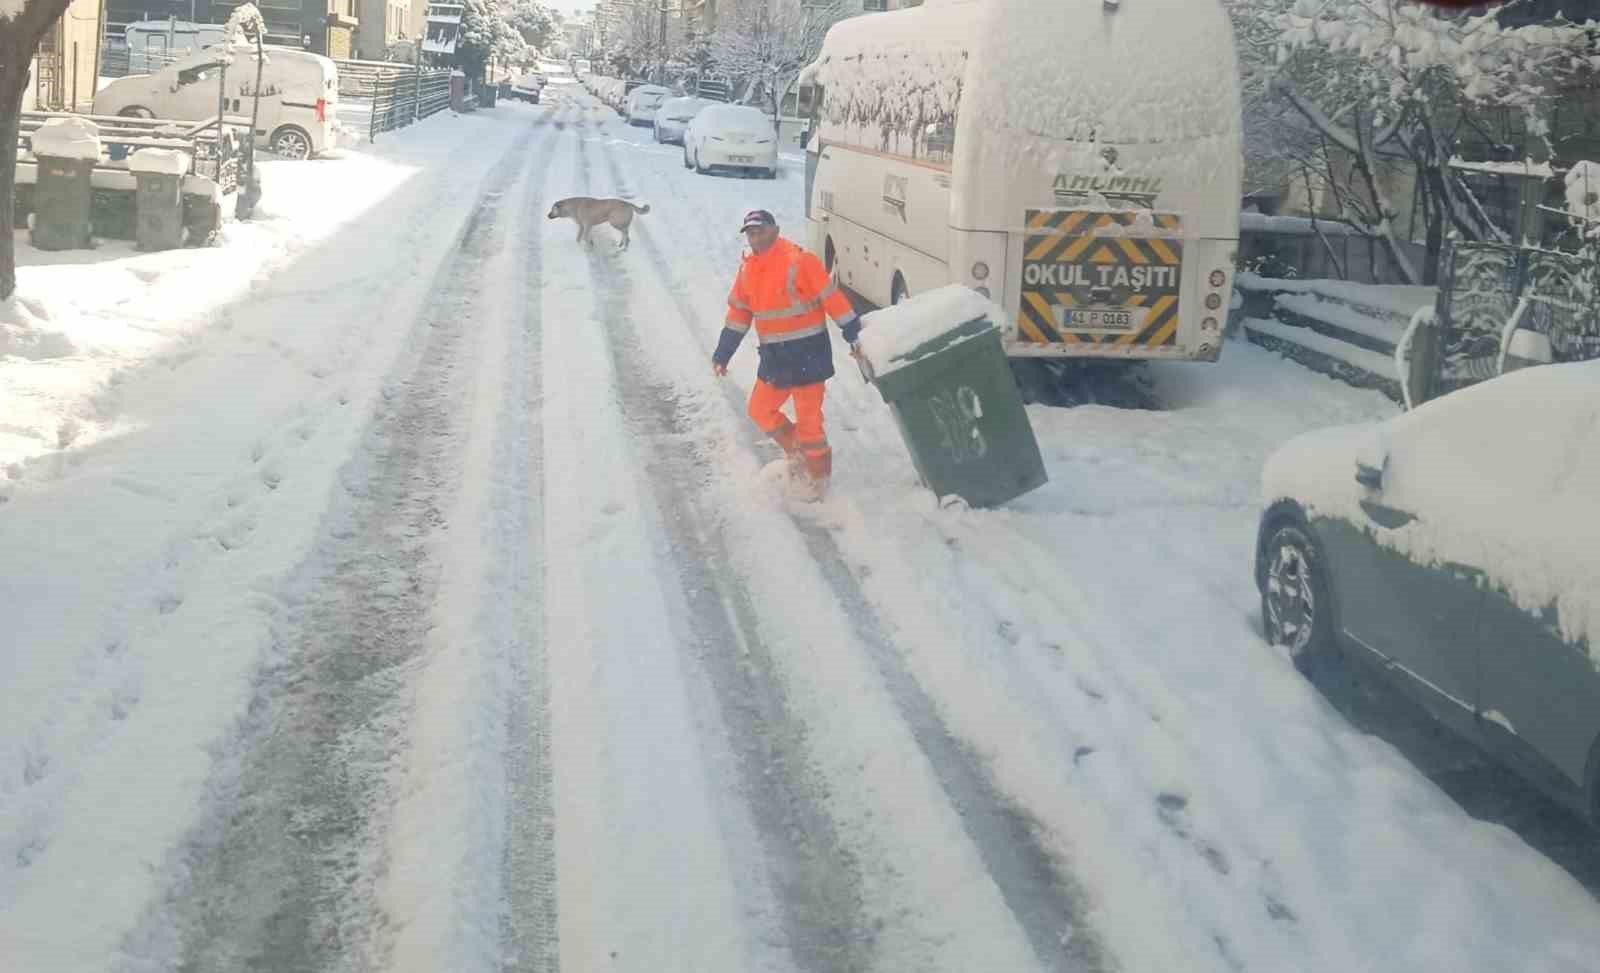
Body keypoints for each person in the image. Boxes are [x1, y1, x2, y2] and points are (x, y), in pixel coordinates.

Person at [713, 210, 862, 497]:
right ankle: (798, 455)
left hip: (810, 357)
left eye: (760, 230)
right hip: (776, 359)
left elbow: (832, 299)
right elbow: (739, 314)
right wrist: (723, 353)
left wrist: (853, 332)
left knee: (810, 423)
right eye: (750, 232)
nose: (755, 236)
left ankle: (817, 485)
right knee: (759, 409)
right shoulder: (748, 270)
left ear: (775, 230)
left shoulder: (800, 261)